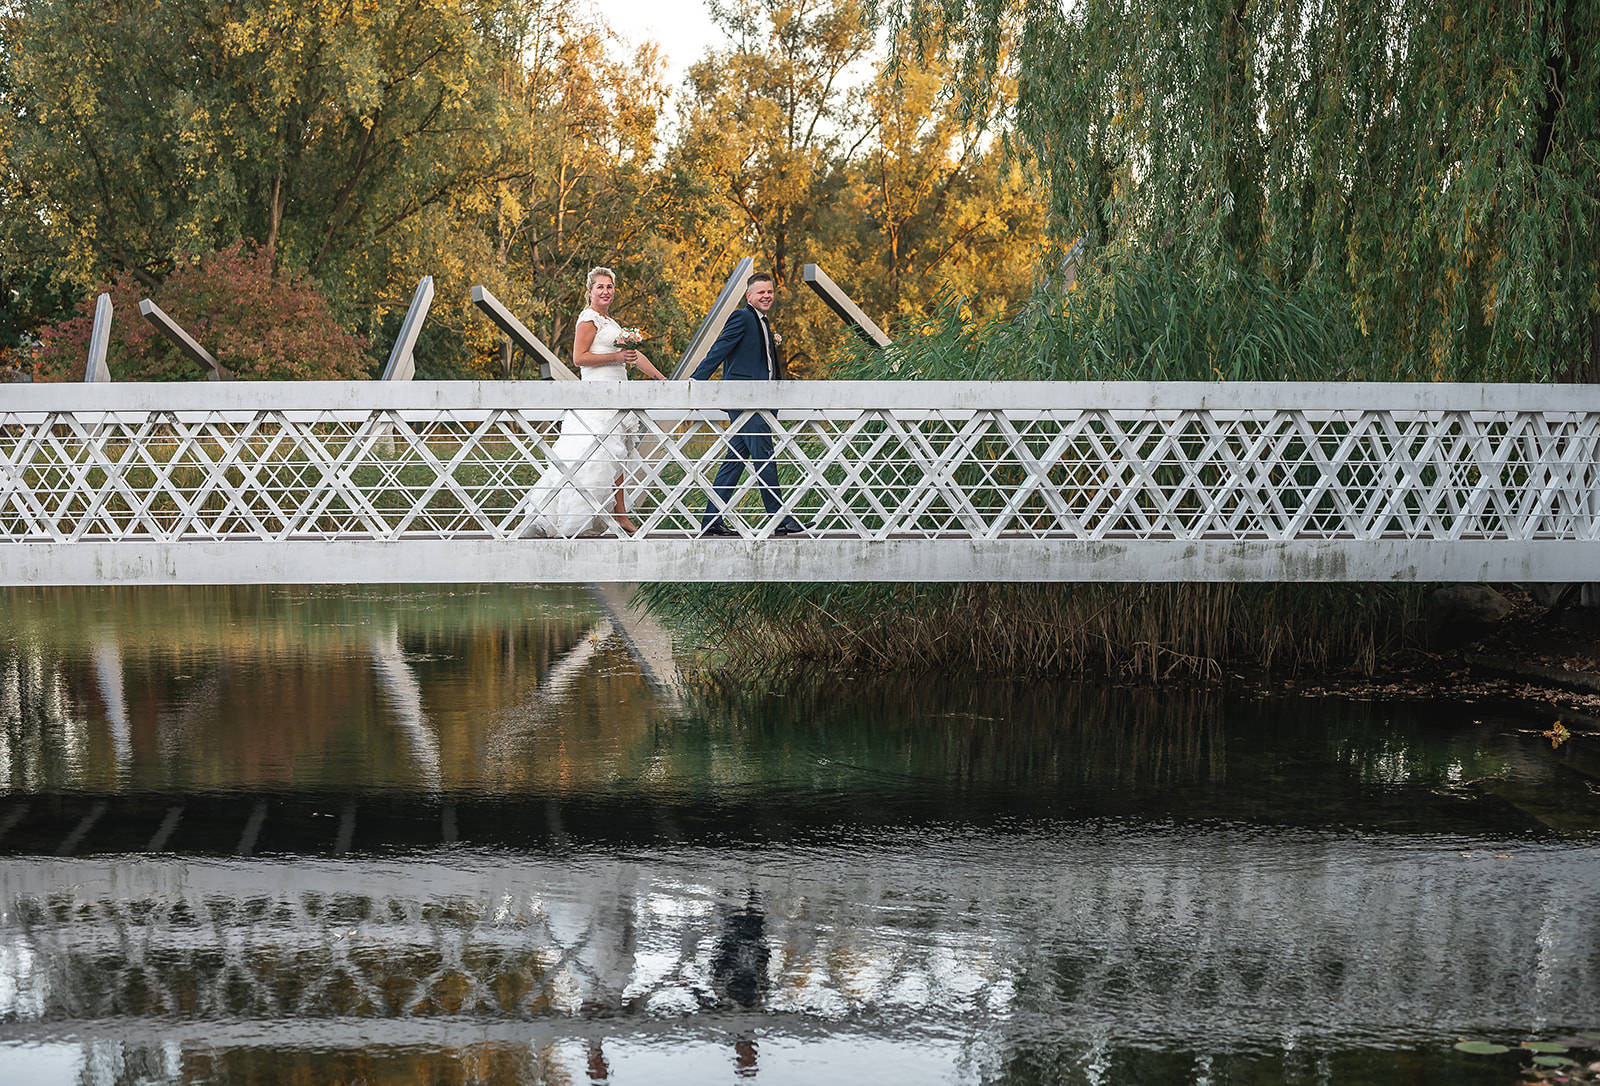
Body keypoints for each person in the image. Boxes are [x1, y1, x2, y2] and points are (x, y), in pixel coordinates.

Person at [524, 267, 665, 537]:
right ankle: (559, 518)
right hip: (597, 397)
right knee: (591, 457)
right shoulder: (588, 319)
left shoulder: (611, 323)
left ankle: (620, 515)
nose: (605, 291)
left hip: (618, 397)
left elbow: (631, 356)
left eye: (609, 287)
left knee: (618, 458)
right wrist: (616, 358)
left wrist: (660, 377)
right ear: (590, 292)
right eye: (600, 287)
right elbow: (579, 358)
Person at [689, 273, 811, 537]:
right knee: (764, 453)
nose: (766, 296)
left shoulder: (763, 323)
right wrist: (696, 381)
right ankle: (779, 519)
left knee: (734, 460)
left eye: (769, 291)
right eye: (760, 292)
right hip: (745, 401)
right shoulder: (742, 317)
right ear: (749, 296)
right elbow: (719, 349)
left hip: (760, 401)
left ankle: (711, 520)